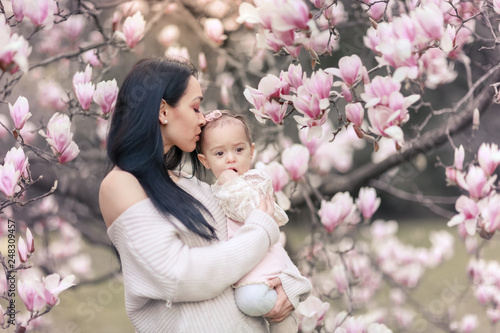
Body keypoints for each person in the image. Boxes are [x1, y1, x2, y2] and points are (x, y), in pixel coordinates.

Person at [98, 57, 311, 333]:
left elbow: (245, 249)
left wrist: (287, 288)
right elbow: (178, 276)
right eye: (196, 107)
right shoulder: (121, 184)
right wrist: (261, 232)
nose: (203, 119)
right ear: (163, 111)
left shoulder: (192, 185)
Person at [197, 110, 312, 333]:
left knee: (254, 301)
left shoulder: (256, 180)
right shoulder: (211, 194)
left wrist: (232, 183)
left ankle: (293, 288)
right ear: (205, 161)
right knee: (252, 303)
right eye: (219, 153)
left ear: (251, 151)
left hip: (265, 266)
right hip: (242, 269)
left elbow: (252, 212)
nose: (231, 158)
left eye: (239, 150)